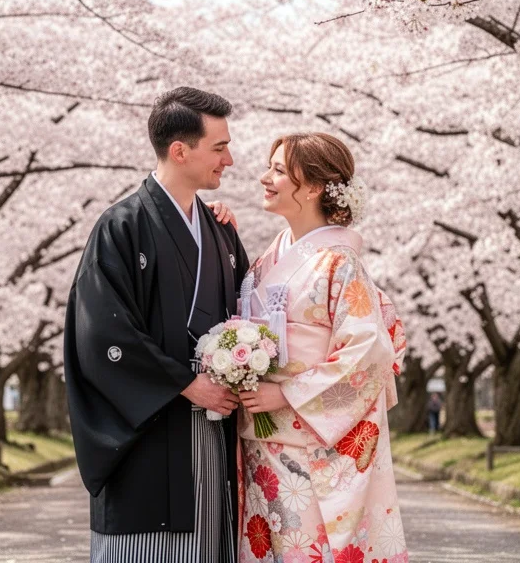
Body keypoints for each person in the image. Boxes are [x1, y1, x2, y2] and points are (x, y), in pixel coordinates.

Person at [64, 87, 249, 563]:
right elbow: (103, 333)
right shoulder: (121, 226)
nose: (229, 159)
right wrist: (187, 383)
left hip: (211, 431)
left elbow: (250, 309)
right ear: (180, 150)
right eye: (220, 147)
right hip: (148, 436)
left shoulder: (220, 230)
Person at [227, 132, 409, 563]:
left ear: (311, 186)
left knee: (307, 549)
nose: (263, 178)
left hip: (309, 446)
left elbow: (368, 352)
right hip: (260, 439)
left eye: (276, 170)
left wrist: (286, 392)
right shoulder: (271, 256)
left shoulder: (339, 263)